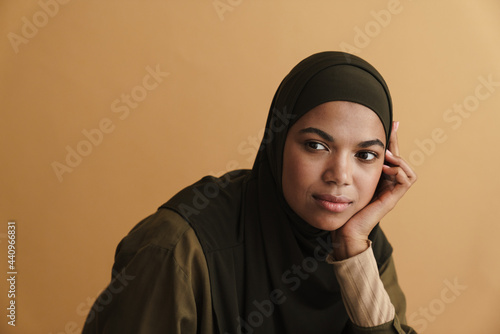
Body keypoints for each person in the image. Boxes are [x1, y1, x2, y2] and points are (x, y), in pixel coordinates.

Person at [82, 51, 417, 333]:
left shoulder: (362, 245)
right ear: (277, 141)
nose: (340, 176)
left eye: (366, 155)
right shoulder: (179, 247)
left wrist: (353, 250)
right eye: (316, 145)